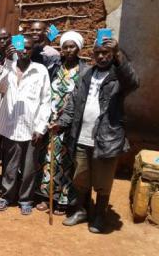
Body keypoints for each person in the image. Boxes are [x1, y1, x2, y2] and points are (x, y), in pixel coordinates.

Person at [51, 37, 139, 233]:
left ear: (112, 54)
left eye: (105, 53)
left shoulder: (118, 76)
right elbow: (74, 102)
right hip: (81, 136)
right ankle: (81, 210)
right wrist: (62, 123)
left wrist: (118, 56)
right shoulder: (86, 74)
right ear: (92, 55)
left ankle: (99, 215)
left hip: (106, 138)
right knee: (81, 177)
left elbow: (133, 82)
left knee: (103, 181)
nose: (101, 56)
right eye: (97, 53)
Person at [0, 36, 52, 215]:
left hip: (31, 127)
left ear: (33, 49)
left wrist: (41, 127)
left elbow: (46, 100)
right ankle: (6, 195)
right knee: (10, 165)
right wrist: (6, 62)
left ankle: (26, 199)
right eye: (21, 48)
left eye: (28, 48)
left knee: (29, 167)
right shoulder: (9, 67)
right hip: (10, 126)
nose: (24, 51)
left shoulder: (40, 70)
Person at [35, 31, 88, 214]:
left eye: (72, 46)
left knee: (66, 161)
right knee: (48, 159)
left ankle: (63, 199)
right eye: (65, 47)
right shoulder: (55, 68)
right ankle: (46, 196)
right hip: (51, 120)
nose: (69, 50)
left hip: (71, 123)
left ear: (79, 48)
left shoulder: (85, 71)